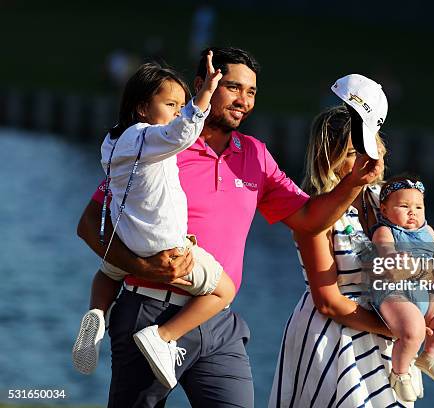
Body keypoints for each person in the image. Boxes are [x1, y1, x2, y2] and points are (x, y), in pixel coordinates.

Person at [76, 47, 383, 407]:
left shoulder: (255, 154)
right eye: (234, 88)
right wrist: (142, 267)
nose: (244, 100)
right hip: (148, 312)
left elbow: (308, 220)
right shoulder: (163, 144)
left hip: (218, 323)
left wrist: (352, 184)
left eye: (251, 92)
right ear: (203, 85)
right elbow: (89, 225)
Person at [72, 55, 238, 390]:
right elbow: (183, 132)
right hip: (163, 246)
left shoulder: (113, 142)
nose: (178, 112)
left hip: (126, 238)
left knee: (108, 271)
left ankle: (96, 315)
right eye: (171, 104)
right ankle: (162, 337)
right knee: (224, 290)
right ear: (142, 109)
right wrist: (204, 96)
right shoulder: (148, 138)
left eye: (181, 105)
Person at [269, 74, 424, 407]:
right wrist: (396, 330)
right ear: (330, 157)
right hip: (335, 337)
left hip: (386, 333)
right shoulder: (312, 211)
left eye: (368, 147)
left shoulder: (386, 201)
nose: (365, 160)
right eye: (353, 153)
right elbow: (327, 301)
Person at [370, 176, 434, 401]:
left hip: (419, 291)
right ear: (385, 210)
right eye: (404, 206)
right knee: (414, 330)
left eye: (418, 207)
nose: (413, 212)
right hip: (392, 292)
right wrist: (394, 257)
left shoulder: (428, 231)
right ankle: (399, 374)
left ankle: (429, 356)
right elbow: (385, 252)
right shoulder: (386, 232)